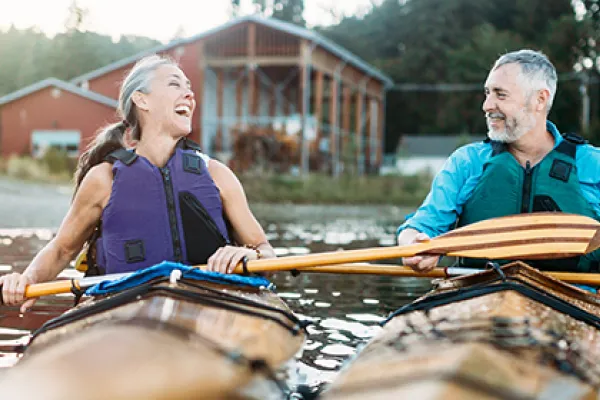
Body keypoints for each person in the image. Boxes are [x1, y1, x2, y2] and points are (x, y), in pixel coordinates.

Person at [1, 54, 276, 312]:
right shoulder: (103, 179)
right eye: (174, 84)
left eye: (189, 87)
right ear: (142, 100)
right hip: (125, 306)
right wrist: (26, 279)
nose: (190, 95)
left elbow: (266, 253)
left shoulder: (217, 174)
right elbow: (61, 250)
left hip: (212, 304)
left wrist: (247, 255)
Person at [397, 49, 600, 274]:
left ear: (539, 100)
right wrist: (412, 246)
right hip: (478, 292)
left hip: (575, 296)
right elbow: (419, 227)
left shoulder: (593, 164)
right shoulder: (466, 162)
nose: (487, 105)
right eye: (487, 93)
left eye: (500, 95)